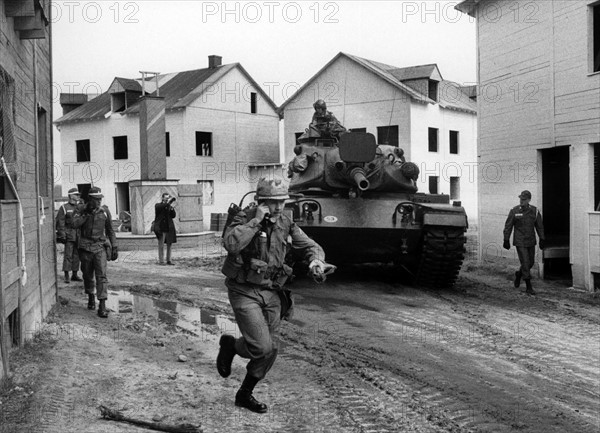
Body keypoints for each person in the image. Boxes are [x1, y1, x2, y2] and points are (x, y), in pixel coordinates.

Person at [217, 177, 334, 414]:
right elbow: (230, 243)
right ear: (260, 201)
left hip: (271, 291)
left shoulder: (286, 222)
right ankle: (232, 347)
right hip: (244, 290)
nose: (279, 207)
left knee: (270, 349)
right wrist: (256, 222)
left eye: (282, 201)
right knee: (261, 346)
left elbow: (310, 245)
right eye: (273, 202)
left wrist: (316, 261)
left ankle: (244, 392)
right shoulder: (244, 217)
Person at [72, 187, 118, 317]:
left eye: (100, 199)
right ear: (90, 199)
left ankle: (102, 306)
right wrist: (86, 214)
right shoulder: (80, 210)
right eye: (96, 200)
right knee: (87, 275)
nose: (98, 202)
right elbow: (74, 224)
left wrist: (114, 246)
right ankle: (91, 295)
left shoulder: (105, 211)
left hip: (99, 247)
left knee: (102, 276)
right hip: (85, 248)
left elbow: (110, 230)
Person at [503, 190, 545, 295]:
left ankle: (519, 274)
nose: (521, 201)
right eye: (520, 199)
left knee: (530, 262)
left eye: (524, 199)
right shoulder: (514, 211)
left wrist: (542, 239)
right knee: (525, 262)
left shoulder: (534, 211)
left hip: (530, 240)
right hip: (520, 241)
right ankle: (528, 286)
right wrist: (506, 239)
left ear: (529, 200)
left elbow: (539, 226)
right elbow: (508, 226)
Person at [56, 187, 82, 283]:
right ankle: (66, 275)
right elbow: (60, 223)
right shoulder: (64, 208)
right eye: (76, 195)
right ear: (71, 196)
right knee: (68, 255)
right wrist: (62, 235)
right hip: (69, 235)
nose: (78, 196)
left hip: (78, 235)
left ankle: (74, 274)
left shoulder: (79, 207)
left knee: (77, 255)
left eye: (78, 195)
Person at [154, 192, 177, 265]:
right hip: (161, 227)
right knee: (161, 245)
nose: (167, 199)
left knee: (169, 244)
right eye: (166, 198)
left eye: (168, 198)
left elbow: (173, 216)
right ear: (162, 198)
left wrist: (172, 208)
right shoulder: (158, 205)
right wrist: (169, 203)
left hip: (169, 227)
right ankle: (161, 261)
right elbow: (162, 207)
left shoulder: (169, 206)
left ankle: (168, 260)